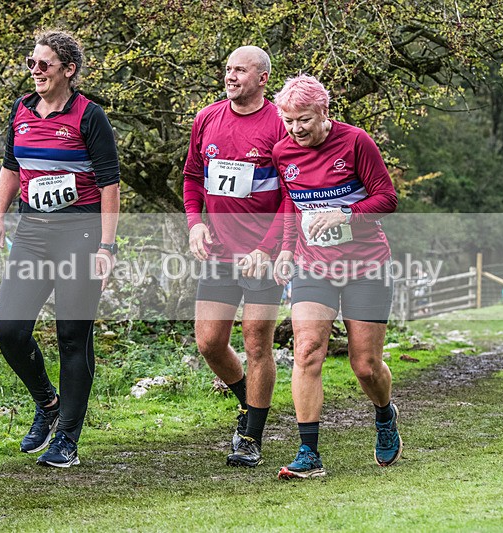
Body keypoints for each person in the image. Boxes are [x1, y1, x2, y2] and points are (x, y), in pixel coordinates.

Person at [0, 29, 120, 468]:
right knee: (9, 329)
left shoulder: (89, 117)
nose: (34, 71)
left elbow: (111, 185)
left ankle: (68, 441)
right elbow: (11, 167)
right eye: (31, 63)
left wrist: (107, 247)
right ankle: (48, 403)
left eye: (44, 65)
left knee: (73, 337)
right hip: (33, 234)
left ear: (68, 70)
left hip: (80, 234)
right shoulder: (21, 110)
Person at [271, 75, 401, 479]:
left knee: (365, 365)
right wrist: (287, 251)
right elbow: (293, 207)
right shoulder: (282, 152)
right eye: (289, 120)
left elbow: (387, 197)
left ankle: (384, 414)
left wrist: (346, 213)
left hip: (366, 265)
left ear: (324, 112)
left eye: (304, 119)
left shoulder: (355, 141)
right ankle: (308, 453)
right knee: (307, 350)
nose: (296, 129)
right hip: (313, 266)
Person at [183, 45, 287, 468]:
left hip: (264, 254)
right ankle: (249, 399)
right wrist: (195, 223)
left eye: (240, 71)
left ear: (262, 78)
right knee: (209, 342)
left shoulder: (281, 123)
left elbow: (295, 195)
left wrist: (267, 248)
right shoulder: (207, 118)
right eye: (227, 69)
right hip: (219, 250)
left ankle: (251, 437)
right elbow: (192, 177)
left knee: (257, 341)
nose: (230, 76)